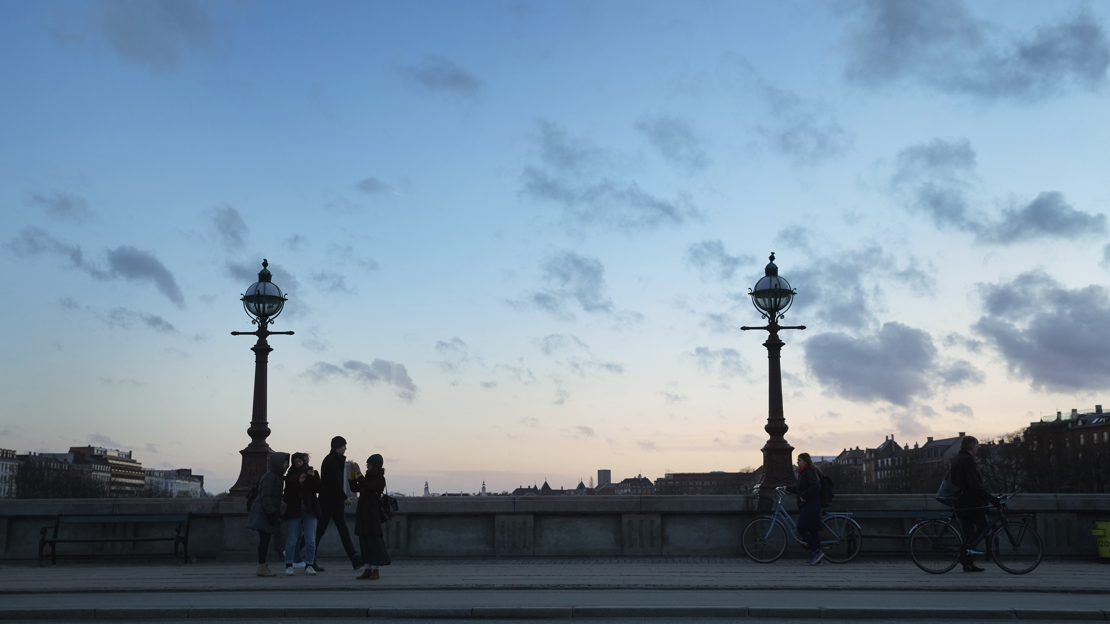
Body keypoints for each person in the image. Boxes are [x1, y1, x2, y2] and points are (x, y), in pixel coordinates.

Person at [949, 435, 999, 572]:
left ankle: (968, 562)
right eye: (976, 446)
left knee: (967, 532)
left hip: (960, 502)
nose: (977, 449)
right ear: (971, 446)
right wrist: (991, 498)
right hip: (971, 503)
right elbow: (974, 484)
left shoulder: (957, 459)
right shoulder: (968, 460)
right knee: (983, 528)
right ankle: (965, 554)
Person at [315, 436, 363, 572]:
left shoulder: (334, 460)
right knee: (321, 531)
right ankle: (303, 557)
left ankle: (354, 559)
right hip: (329, 502)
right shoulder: (330, 461)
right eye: (343, 446)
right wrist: (344, 497)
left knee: (339, 531)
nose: (345, 448)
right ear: (337, 446)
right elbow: (333, 483)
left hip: (333, 502)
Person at [246, 452, 288, 577]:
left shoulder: (276, 476)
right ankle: (262, 567)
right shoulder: (270, 477)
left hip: (265, 512)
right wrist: (271, 512)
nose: (287, 465)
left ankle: (262, 566)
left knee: (265, 540)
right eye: (285, 462)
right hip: (263, 513)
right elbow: (266, 496)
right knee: (264, 540)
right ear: (278, 464)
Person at [349, 453, 391, 580]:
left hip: (373, 514)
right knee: (364, 542)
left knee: (374, 543)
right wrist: (353, 475)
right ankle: (367, 569)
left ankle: (376, 570)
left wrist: (360, 474)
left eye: (369, 465)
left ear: (375, 466)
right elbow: (355, 488)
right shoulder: (366, 477)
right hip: (363, 513)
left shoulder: (379, 479)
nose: (367, 467)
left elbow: (368, 487)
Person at [282, 453, 322, 576]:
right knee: (292, 539)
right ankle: (289, 565)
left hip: (310, 510)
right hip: (295, 510)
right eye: (295, 461)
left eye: (300, 461)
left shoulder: (312, 472)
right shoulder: (291, 475)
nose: (298, 463)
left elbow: (319, 489)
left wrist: (313, 477)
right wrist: (298, 482)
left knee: (310, 540)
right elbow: (288, 492)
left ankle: (309, 565)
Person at [785, 453, 824, 565]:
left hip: (810, 506)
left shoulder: (808, 472)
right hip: (811, 505)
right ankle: (817, 558)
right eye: (797, 461)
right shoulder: (804, 473)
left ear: (805, 462)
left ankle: (817, 552)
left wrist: (803, 496)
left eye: (800, 460)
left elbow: (816, 486)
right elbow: (800, 488)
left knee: (801, 528)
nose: (798, 463)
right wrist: (787, 489)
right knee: (813, 531)